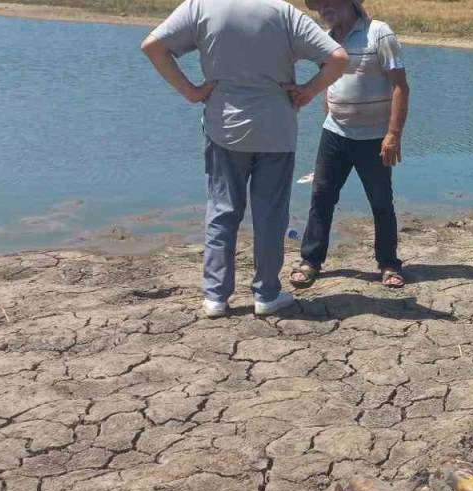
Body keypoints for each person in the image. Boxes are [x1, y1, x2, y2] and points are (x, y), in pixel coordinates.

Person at [141, 0, 348, 318]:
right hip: (276, 130)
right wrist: (307, 91)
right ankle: (266, 294)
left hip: (224, 128)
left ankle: (215, 297)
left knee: (222, 212)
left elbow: (153, 46)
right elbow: (337, 58)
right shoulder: (282, 12)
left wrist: (190, 91)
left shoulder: (201, 7)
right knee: (269, 216)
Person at [288, 0, 410, 290]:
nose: (323, 9)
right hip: (334, 134)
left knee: (381, 202)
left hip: (374, 138)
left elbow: (400, 87)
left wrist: (393, 134)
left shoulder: (379, 33)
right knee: (321, 198)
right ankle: (310, 261)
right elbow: (328, 82)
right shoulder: (325, 39)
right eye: (318, 5)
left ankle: (389, 264)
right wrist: (327, 112)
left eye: (329, 2)